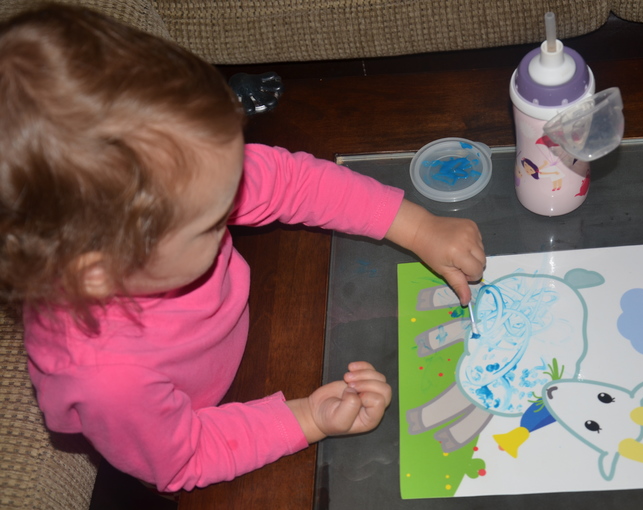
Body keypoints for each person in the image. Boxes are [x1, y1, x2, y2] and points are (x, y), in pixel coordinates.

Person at [0, 4, 486, 493]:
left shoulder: (175, 188)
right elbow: (185, 458)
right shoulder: (110, 383)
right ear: (99, 272)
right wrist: (307, 418)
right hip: (193, 417)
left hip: (236, 333)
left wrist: (416, 227)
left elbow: (290, 182)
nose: (236, 201)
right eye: (213, 222)